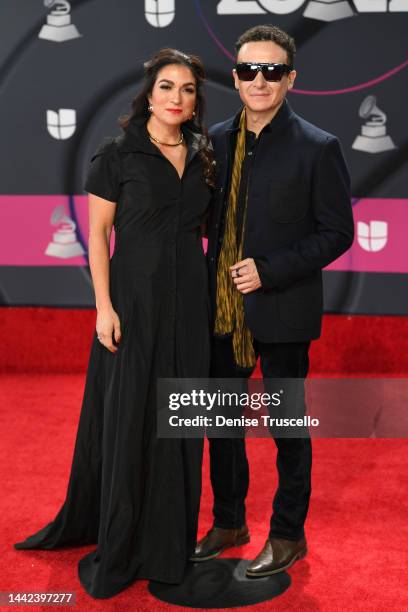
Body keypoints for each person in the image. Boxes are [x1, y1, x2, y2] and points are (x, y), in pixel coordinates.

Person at [14, 48, 214, 598]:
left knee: (180, 418)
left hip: (189, 305)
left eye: (188, 89)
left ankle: (168, 540)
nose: (178, 98)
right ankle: (123, 543)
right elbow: (98, 237)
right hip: (132, 301)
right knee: (129, 418)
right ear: (149, 95)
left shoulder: (204, 153)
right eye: (168, 87)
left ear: (197, 99)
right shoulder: (117, 154)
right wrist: (103, 306)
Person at [191, 25, 354, 577]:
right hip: (219, 312)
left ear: (290, 78)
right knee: (220, 426)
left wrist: (268, 269)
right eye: (247, 70)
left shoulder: (318, 146)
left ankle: (287, 535)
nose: (258, 80)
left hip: (283, 311)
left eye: (271, 70)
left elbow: (337, 233)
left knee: (287, 429)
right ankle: (229, 521)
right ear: (235, 76)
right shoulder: (213, 139)